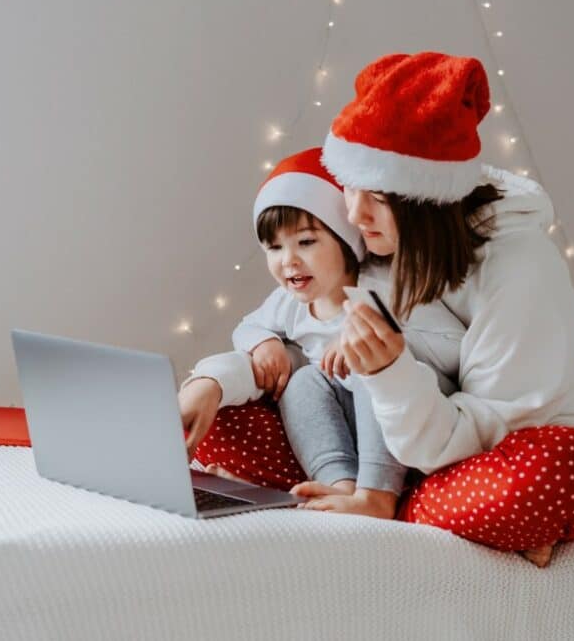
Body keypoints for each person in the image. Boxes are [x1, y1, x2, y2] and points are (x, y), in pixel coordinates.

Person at [310, 50, 574, 567]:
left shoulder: (520, 268)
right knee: (231, 423)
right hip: (397, 451)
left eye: (375, 195)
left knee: (568, 468)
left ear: (424, 199)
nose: (354, 213)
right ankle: (380, 497)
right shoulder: (378, 243)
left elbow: (482, 436)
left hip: (492, 452)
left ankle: (391, 506)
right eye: (349, 186)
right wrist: (223, 377)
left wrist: (391, 374)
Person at [178, 147, 463, 503]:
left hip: (417, 426)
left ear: (346, 240)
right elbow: (246, 328)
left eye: (306, 242)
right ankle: (339, 483)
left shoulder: (384, 288)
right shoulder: (289, 304)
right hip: (357, 435)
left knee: (368, 366)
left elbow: (455, 347)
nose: (288, 261)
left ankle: (377, 495)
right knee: (302, 382)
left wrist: (372, 341)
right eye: (274, 248)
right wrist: (264, 342)